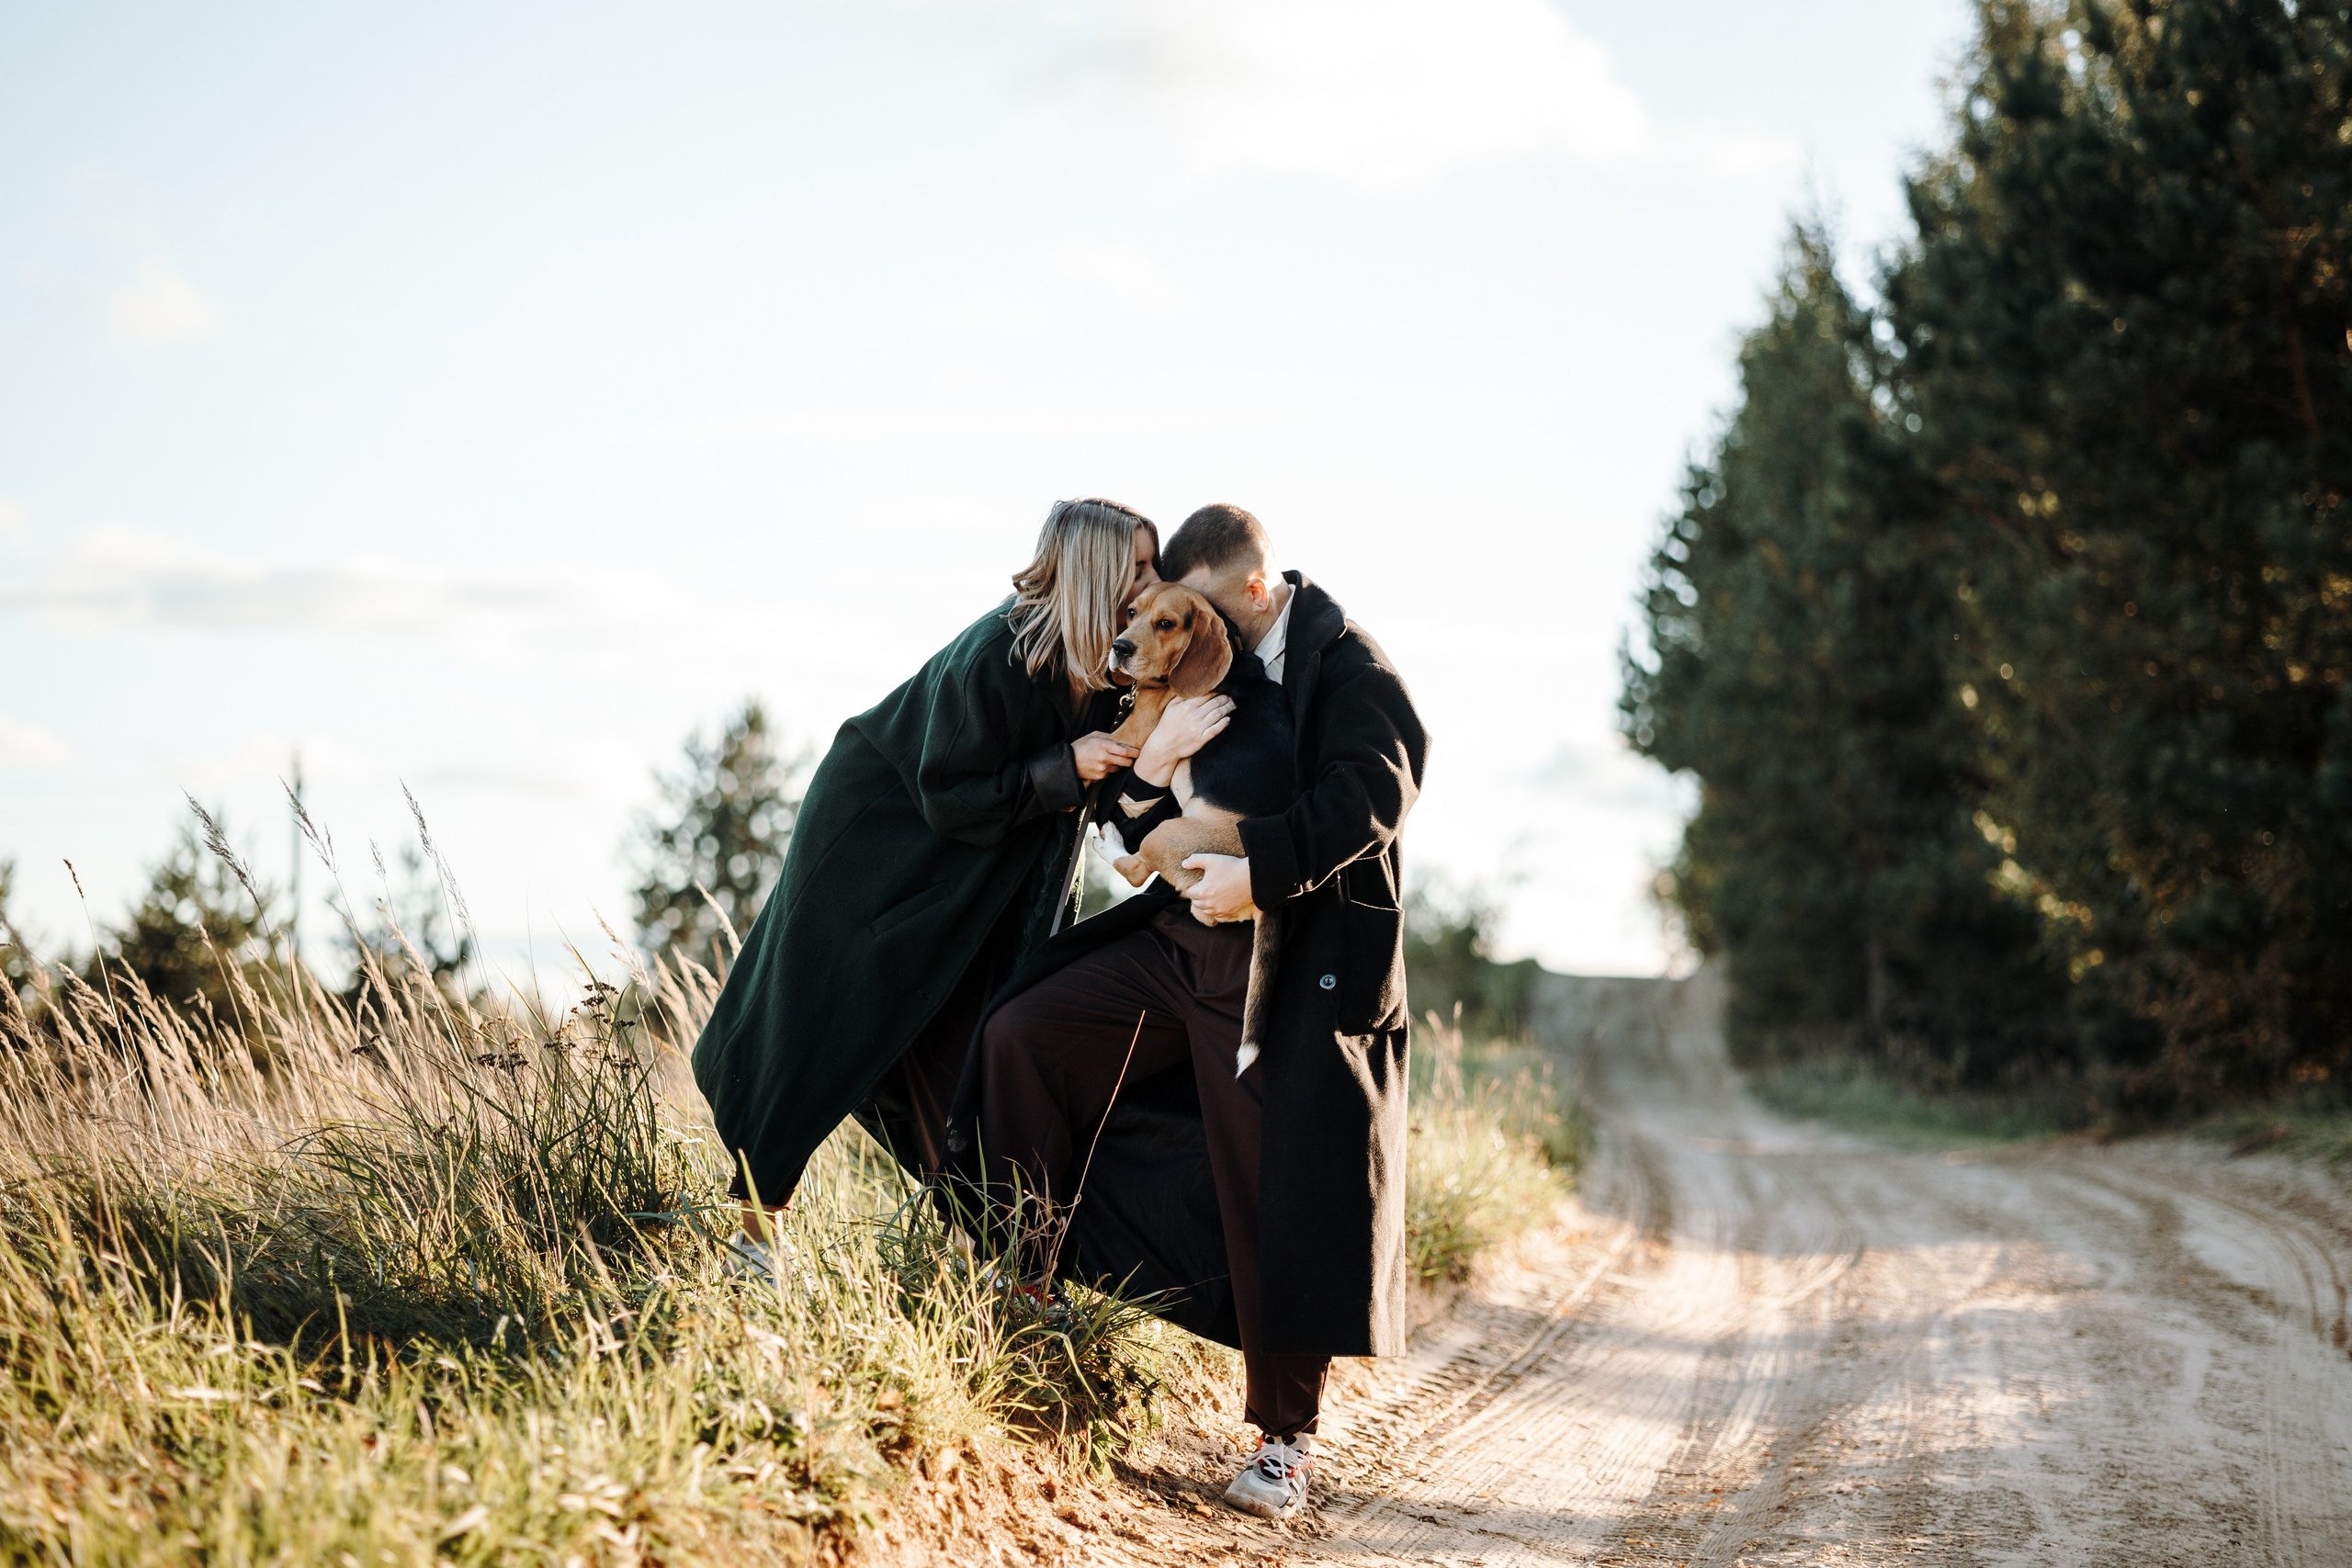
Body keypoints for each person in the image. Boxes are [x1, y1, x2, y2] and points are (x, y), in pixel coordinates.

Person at [971, 502, 1429, 1521]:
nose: (1190, 638)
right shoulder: (1173, 661)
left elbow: (1376, 792)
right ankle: (1023, 1291)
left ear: (1255, 592)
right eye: (1177, 618)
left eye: (1210, 615)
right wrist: (1145, 757)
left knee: (1275, 1179)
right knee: (1021, 1035)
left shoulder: (1348, 665)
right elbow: (1123, 810)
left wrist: (1263, 875)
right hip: (1174, 940)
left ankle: (1282, 1445)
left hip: (1286, 961)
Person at [691, 498, 1233, 1265]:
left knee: (979, 1042)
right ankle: (754, 1242)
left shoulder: (1110, 666)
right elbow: (947, 791)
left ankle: (994, 1263)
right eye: (1138, 567)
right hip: (881, 850)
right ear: (1093, 575)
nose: (1154, 581)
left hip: (980, 871)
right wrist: (1064, 767)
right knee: (823, 1025)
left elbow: (1115, 787)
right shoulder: (999, 653)